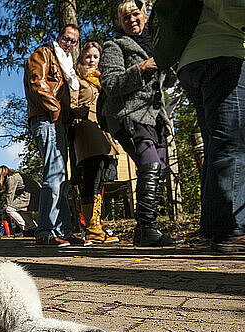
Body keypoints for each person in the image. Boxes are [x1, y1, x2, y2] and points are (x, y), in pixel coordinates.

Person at [99, 0, 183, 247]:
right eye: (126, 18)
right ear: (120, 23)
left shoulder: (156, 43)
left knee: (158, 168)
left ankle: (147, 230)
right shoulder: (114, 45)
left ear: (145, 15)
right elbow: (111, 84)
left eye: (135, 14)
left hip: (155, 115)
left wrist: (171, 67)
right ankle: (146, 229)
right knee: (150, 164)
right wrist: (142, 67)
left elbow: (165, 82)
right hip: (128, 114)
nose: (132, 20)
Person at [174, 1, 245, 252]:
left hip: (191, 59)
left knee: (217, 144)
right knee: (231, 143)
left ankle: (215, 226)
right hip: (220, 51)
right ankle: (228, 229)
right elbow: (231, 6)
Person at [24, 23, 90, 247]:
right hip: (47, 119)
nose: (69, 43)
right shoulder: (43, 53)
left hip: (58, 121)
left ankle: (63, 230)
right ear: (59, 37)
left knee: (61, 178)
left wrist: (71, 112)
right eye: (66, 38)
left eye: (73, 41)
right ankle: (45, 231)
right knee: (53, 175)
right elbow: (38, 83)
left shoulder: (66, 64)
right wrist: (54, 111)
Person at [71, 42, 121, 244]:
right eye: (88, 56)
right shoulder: (77, 78)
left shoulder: (102, 80)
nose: (92, 60)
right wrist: (78, 111)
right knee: (90, 178)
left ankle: (96, 225)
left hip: (104, 133)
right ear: (81, 57)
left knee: (101, 179)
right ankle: (90, 228)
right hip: (87, 132)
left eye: (95, 56)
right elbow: (71, 104)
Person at [0, 166, 39, 236]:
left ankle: (26, 228)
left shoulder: (11, 178)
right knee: (24, 212)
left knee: (9, 209)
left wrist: (4, 211)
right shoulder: (16, 176)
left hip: (29, 194)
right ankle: (34, 228)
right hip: (36, 193)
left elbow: (10, 195)